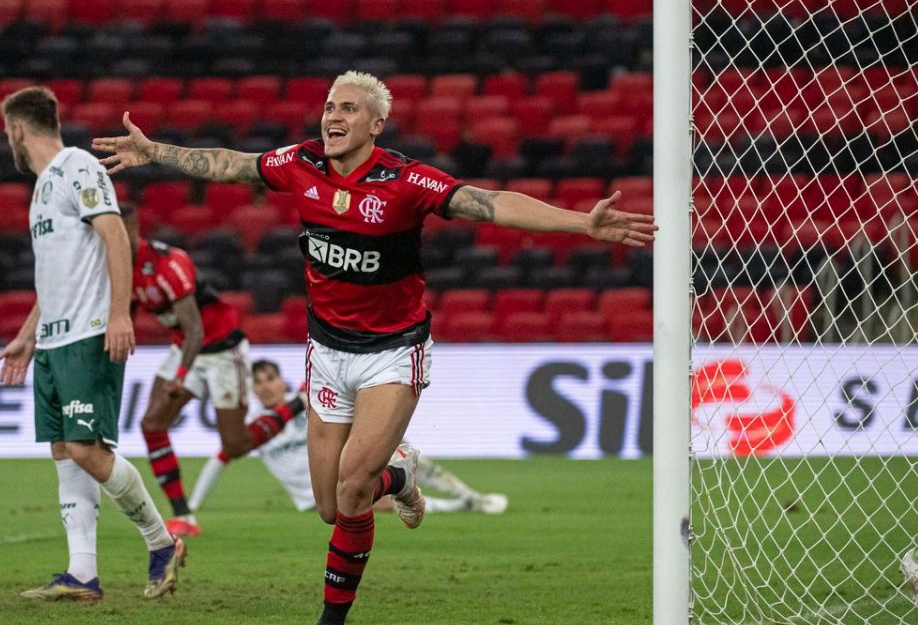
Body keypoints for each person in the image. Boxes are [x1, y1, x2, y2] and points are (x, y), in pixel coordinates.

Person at [93, 71, 657, 624]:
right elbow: (230, 165)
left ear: (377, 124)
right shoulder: (301, 163)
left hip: (393, 349)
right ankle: (402, 476)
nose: (333, 116)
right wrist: (156, 151)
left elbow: (490, 202)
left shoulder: (406, 181)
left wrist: (583, 223)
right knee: (331, 507)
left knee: (354, 485)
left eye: (348, 109)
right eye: (330, 106)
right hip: (327, 351)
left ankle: (332, 618)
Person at [0, 87, 184, 603]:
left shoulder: (78, 165)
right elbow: (55, 274)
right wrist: (27, 336)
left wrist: (120, 313)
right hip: (54, 341)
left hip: (87, 333)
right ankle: (82, 575)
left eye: (6, 131)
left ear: (17, 129)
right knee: (64, 451)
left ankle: (161, 542)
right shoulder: (40, 190)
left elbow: (115, 236)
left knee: (84, 448)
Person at [119, 202, 304, 538]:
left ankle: (295, 405)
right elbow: (129, 308)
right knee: (151, 423)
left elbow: (196, 330)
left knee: (235, 445)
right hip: (185, 348)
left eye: (117, 234)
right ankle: (182, 516)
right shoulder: (118, 266)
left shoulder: (167, 264)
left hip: (221, 349)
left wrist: (178, 379)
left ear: (132, 230)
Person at [187, 359, 508, 516]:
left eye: (270, 378)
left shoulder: (313, 401)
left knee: (401, 452)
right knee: (375, 500)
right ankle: (455, 506)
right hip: (316, 495)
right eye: (258, 382)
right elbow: (221, 459)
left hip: (345, 470)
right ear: (252, 390)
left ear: (281, 380)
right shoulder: (257, 427)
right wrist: (192, 506)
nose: (266, 386)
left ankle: (469, 497)